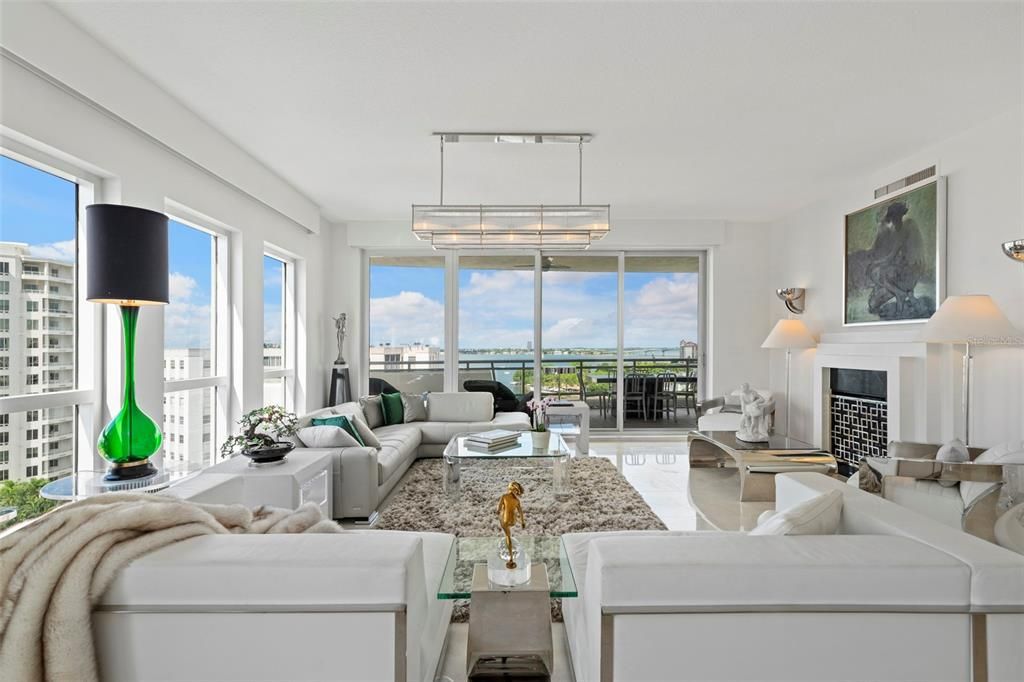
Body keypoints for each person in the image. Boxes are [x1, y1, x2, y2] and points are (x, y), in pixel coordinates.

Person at [496, 481, 526, 569]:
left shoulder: (504, 496)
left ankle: (511, 558)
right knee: (508, 534)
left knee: (508, 536)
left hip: (505, 520)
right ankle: (511, 558)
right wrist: (523, 522)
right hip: (513, 520)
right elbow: (520, 512)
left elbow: (498, 508)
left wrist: (498, 511)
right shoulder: (517, 501)